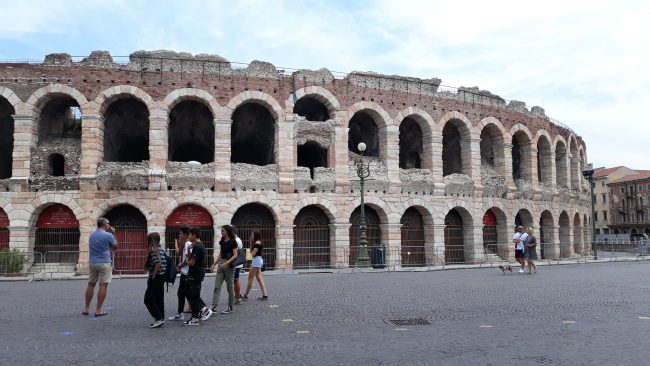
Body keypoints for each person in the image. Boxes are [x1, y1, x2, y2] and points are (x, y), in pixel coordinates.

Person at [83, 217, 117, 317]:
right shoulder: (108, 235)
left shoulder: (92, 234)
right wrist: (114, 233)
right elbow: (115, 247)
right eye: (108, 224)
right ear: (105, 225)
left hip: (93, 262)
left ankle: (86, 308)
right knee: (103, 285)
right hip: (104, 262)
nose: (109, 226)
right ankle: (98, 310)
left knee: (91, 284)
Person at [207, 225, 238, 317]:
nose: (221, 232)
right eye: (221, 231)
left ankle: (230, 306)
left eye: (223, 231)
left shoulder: (233, 242)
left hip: (229, 265)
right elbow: (221, 254)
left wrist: (227, 263)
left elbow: (235, 255)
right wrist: (214, 264)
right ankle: (214, 306)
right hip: (221, 264)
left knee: (230, 287)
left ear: (227, 231)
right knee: (217, 286)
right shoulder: (222, 242)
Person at [182, 227, 211, 326]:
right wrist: (190, 250)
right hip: (196, 273)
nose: (188, 236)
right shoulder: (197, 245)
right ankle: (201, 311)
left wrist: (187, 261)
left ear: (194, 235)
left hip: (196, 273)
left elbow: (192, 263)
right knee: (190, 293)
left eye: (189, 234)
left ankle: (196, 317)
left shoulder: (197, 246)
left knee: (193, 294)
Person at [169, 226, 193, 321]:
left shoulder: (188, 244)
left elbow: (188, 260)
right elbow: (178, 253)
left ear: (186, 234)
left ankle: (203, 309)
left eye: (180, 233)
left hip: (187, 273)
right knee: (183, 293)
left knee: (186, 293)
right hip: (184, 272)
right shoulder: (185, 244)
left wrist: (180, 265)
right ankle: (181, 313)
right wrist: (178, 243)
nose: (179, 235)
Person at [144, 232, 166, 328]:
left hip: (156, 278)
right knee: (159, 299)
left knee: (148, 299)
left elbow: (158, 263)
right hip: (162, 277)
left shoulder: (153, 250)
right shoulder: (161, 249)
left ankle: (158, 318)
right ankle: (161, 318)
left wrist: (153, 276)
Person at [242, 231, 268, 301]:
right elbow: (252, 253)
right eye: (251, 234)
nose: (251, 235)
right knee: (259, 278)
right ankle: (265, 295)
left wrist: (250, 253)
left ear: (256, 235)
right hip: (257, 260)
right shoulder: (256, 242)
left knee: (250, 278)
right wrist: (250, 243)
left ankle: (245, 296)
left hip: (256, 261)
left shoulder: (257, 243)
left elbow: (252, 254)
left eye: (252, 234)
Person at [233, 227, 244, 305]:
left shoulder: (236, 240)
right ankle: (238, 295)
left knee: (235, 280)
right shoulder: (238, 239)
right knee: (236, 280)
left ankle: (238, 297)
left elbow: (235, 252)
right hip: (237, 264)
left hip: (236, 264)